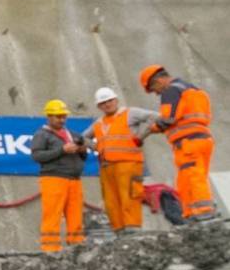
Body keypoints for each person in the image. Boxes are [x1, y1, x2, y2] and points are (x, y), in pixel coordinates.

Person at [138, 65, 219, 221]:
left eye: (153, 88)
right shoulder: (194, 91)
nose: (156, 93)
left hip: (187, 142)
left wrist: (151, 129)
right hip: (203, 139)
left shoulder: (170, 91)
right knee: (189, 177)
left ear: (159, 80)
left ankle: (203, 211)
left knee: (191, 176)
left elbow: (168, 118)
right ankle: (190, 212)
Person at [85, 87, 159, 235]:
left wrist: (142, 136)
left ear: (116, 100)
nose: (107, 104)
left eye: (110, 100)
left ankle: (132, 229)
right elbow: (83, 138)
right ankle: (119, 231)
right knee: (111, 201)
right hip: (107, 167)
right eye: (103, 103)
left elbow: (156, 117)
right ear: (99, 106)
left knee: (129, 197)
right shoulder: (99, 123)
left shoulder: (131, 114)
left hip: (129, 164)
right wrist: (96, 147)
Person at [31, 99, 88, 252]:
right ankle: (50, 249)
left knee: (76, 215)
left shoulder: (72, 135)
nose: (62, 120)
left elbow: (83, 157)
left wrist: (82, 151)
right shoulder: (42, 135)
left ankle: (77, 246)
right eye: (58, 116)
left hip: (74, 179)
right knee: (52, 215)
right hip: (53, 178)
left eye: (64, 116)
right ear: (49, 117)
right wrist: (62, 150)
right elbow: (37, 156)